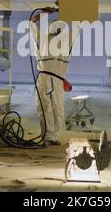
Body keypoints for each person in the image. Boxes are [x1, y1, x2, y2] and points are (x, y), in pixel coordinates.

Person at [30, 9, 80, 146]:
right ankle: (49, 137)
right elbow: (77, 26)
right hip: (53, 78)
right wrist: (69, 10)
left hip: (49, 78)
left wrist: (41, 15)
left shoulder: (44, 38)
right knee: (53, 108)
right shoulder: (64, 40)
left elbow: (32, 25)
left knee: (49, 108)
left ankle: (50, 137)